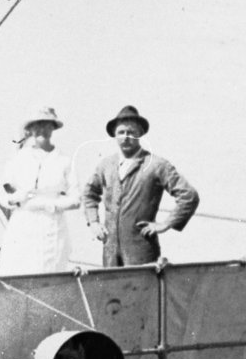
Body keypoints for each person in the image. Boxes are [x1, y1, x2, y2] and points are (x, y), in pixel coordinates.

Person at [81, 105, 199, 268]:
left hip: (141, 251)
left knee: (143, 285)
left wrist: (166, 224)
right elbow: (89, 194)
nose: (126, 137)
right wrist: (94, 222)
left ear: (140, 134)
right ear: (114, 135)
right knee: (111, 285)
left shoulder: (156, 165)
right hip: (110, 252)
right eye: (121, 132)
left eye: (131, 132)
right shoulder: (105, 165)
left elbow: (189, 196)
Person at [0, 107, 80, 274]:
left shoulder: (64, 161)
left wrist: (50, 204)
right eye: (38, 125)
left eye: (47, 125)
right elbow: (1, 193)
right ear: (31, 129)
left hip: (52, 227)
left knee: (48, 274)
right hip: (23, 225)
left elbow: (76, 199)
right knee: (17, 272)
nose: (42, 130)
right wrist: (15, 199)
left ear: (53, 128)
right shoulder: (18, 159)